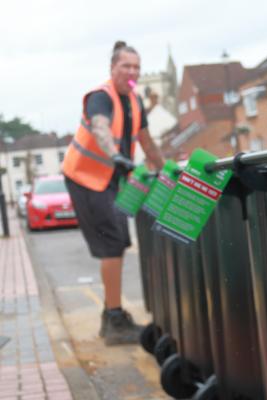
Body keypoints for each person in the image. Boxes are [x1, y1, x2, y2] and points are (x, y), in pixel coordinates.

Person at [62, 41, 164, 345]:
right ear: (112, 68)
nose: (132, 72)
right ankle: (114, 319)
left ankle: (112, 315)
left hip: (109, 181)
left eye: (136, 67)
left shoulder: (134, 101)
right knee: (112, 244)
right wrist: (114, 154)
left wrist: (169, 170)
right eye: (126, 66)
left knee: (119, 241)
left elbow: (147, 142)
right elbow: (101, 129)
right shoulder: (100, 98)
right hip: (85, 178)